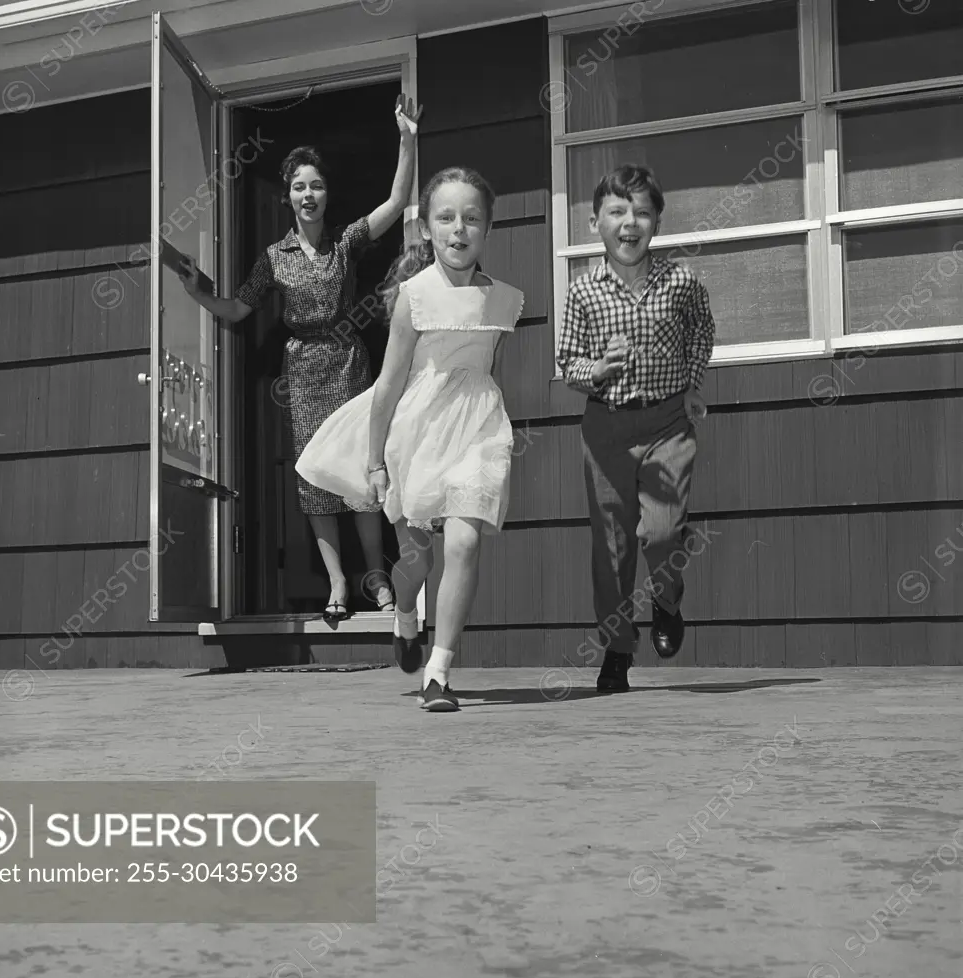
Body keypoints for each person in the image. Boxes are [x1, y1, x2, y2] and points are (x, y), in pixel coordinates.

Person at [179, 95, 422, 621]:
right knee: (315, 478)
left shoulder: (345, 241)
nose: (308, 195)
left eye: (316, 185)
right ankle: (337, 583)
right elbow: (238, 310)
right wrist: (197, 290)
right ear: (288, 196)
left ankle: (375, 576)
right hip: (305, 371)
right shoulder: (273, 258)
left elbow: (398, 199)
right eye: (298, 186)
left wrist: (406, 138)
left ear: (326, 193)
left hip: (351, 364)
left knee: (362, 468)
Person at [296, 167, 525, 711]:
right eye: (445, 217)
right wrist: (374, 464)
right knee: (416, 561)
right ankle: (404, 613)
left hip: (477, 429)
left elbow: (490, 372)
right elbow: (388, 385)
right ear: (426, 228)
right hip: (416, 430)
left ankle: (438, 673)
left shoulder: (505, 301)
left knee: (465, 541)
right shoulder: (413, 297)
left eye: (472, 218)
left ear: (488, 229)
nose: (458, 229)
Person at [556, 164, 714, 694]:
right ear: (594, 223)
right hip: (606, 429)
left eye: (642, 212)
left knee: (663, 531)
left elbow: (702, 331)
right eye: (617, 212)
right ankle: (617, 649)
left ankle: (667, 599)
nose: (630, 223)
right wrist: (595, 371)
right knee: (613, 547)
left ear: (657, 223)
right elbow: (568, 360)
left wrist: (692, 384)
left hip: (668, 421)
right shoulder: (583, 292)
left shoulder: (681, 281)